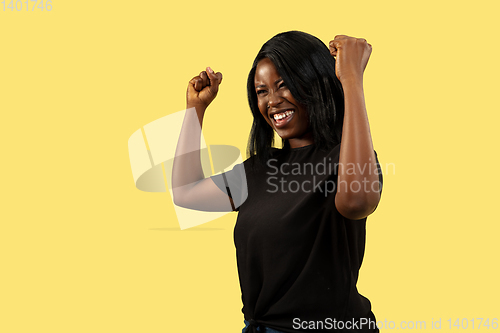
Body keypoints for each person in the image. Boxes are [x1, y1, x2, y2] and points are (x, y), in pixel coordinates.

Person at [171, 31, 383, 333]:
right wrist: (195, 109)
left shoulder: (348, 159)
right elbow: (186, 193)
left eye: (284, 85)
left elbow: (357, 201)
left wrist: (351, 79)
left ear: (315, 83)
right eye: (261, 91)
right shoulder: (260, 168)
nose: (272, 101)